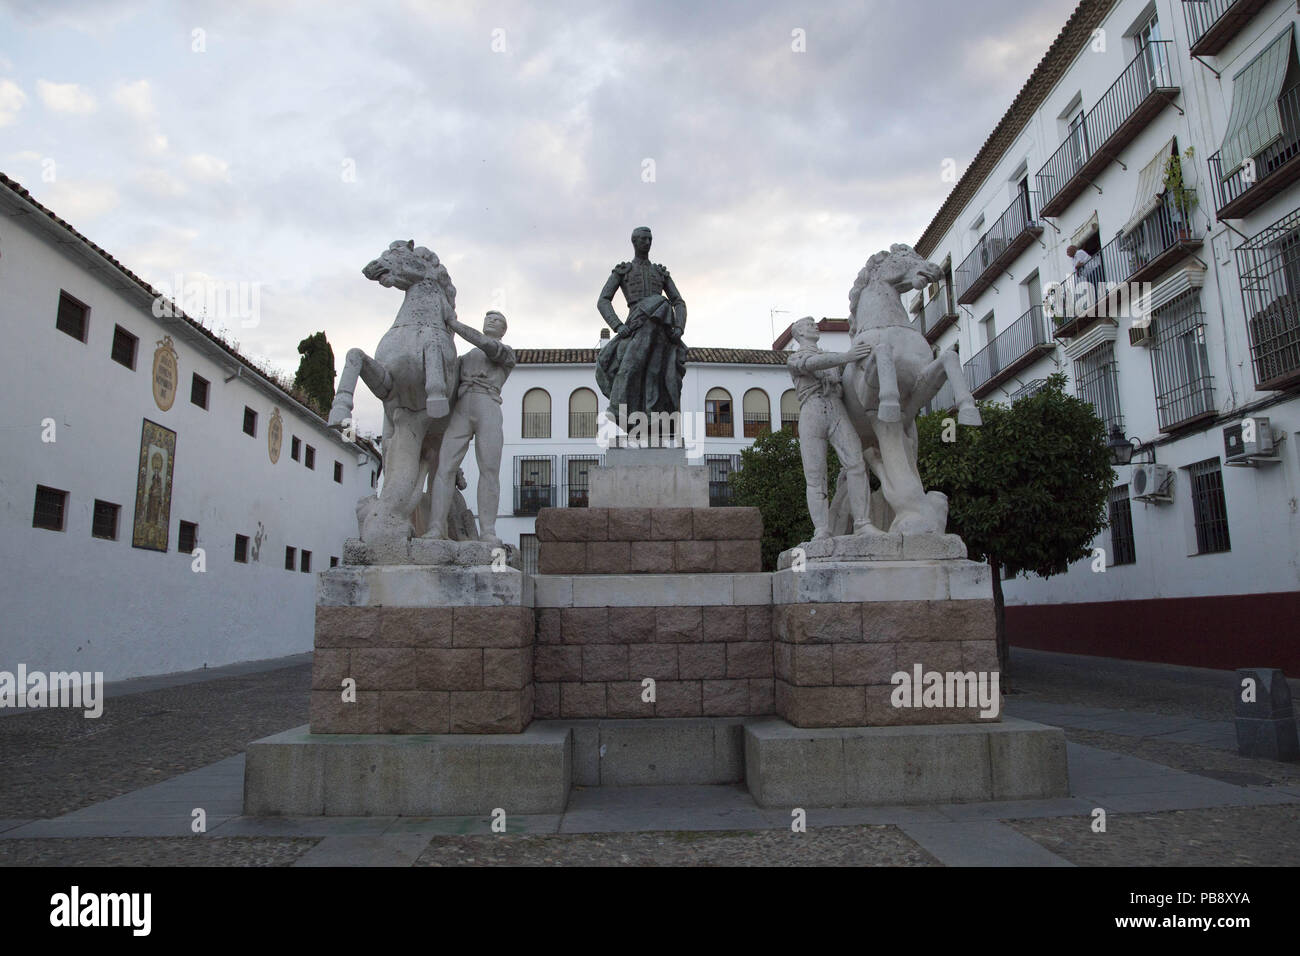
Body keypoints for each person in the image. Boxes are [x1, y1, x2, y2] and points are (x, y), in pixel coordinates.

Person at [425, 311, 515, 546]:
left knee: (489, 469)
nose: (491, 320)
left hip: (489, 405)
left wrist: (453, 324)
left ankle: (488, 530)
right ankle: (436, 527)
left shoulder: (506, 353)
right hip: (462, 407)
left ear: (504, 330)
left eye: (497, 320)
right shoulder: (465, 358)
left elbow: (484, 343)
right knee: (445, 466)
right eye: (488, 317)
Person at [787, 317, 874, 540]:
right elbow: (811, 364)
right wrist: (846, 357)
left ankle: (863, 523)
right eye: (809, 325)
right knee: (815, 475)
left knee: (855, 462)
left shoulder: (831, 358)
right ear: (799, 334)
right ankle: (821, 529)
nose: (814, 326)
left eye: (814, 323)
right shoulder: (795, 357)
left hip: (836, 407)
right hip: (812, 409)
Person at [595, 227, 687, 436]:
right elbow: (603, 300)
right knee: (632, 368)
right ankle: (624, 411)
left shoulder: (660, 272)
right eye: (643, 239)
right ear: (634, 242)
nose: (647, 242)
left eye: (650, 239)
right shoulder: (623, 271)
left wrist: (679, 327)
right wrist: (618, 325)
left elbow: (678, 301)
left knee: (656, 374)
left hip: (661, 330)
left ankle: (654, 420)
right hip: (636, 326)